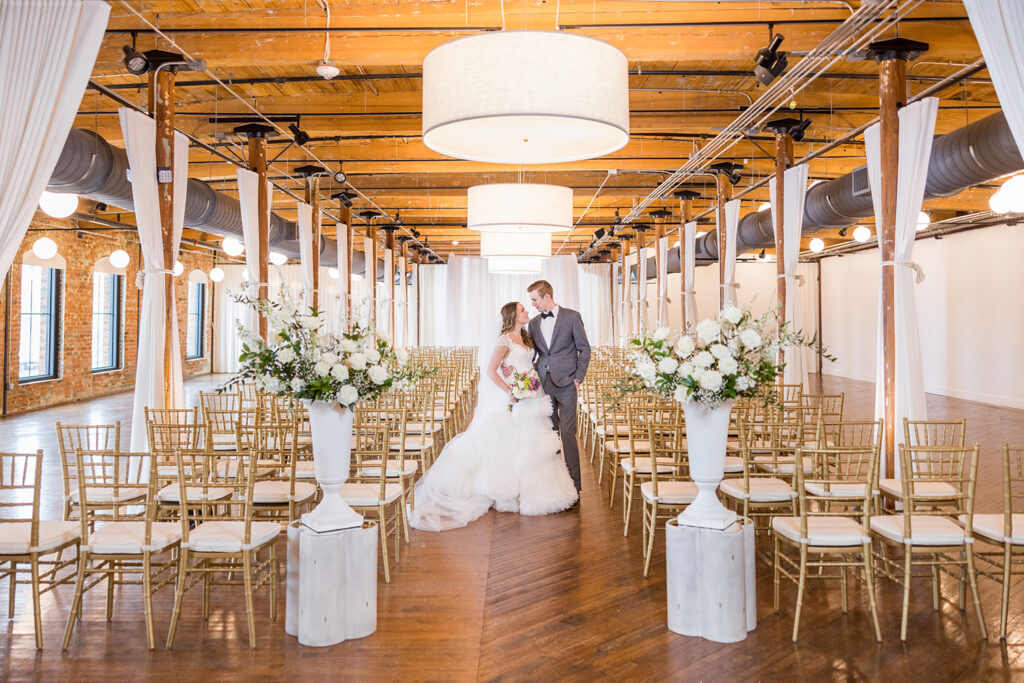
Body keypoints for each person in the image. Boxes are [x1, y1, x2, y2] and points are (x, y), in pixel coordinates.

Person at [409, 301, 578, 532]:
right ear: (513, 316)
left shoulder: (527, 338)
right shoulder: (504, 339)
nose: (527, 311)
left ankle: (532, 490)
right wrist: (510, 389)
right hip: (513, 395)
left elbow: (531, 361)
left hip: (531, 392)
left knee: (532, 441)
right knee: (509, 440)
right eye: (522, 310)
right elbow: (491, 370)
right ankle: (506, 491)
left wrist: (529, 375)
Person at [524, 280, 591, 496]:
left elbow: (585, 350)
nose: (532, 304)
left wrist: (578, 378)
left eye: (534, 299)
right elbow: (531, 353)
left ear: (546, 297)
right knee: (550, 435)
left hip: (568, 384)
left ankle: (574, 486)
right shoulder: (533, 323)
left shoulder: (572, 317)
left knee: (568, 434)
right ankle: (555, 486)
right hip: (544, 384)